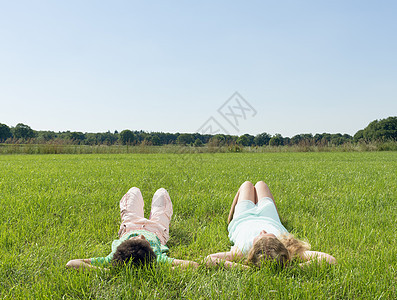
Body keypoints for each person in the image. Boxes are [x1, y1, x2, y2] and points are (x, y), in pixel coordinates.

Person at [205, 181, 336, 269]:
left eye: (259, 237)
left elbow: (208, 260)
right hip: (269, 217)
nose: (262, 231)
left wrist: (246, 269)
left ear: (253, 249)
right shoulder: (288, 248)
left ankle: (230, 219)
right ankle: (277, 216)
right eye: (269, 235)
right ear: (280, 243)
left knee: (247, 184)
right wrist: (291, 267)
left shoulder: (242, 251)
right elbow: (329, 259)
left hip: (243, 217)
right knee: (261, 184)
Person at [66, 187, 198, 270]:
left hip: (130, 225)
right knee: (161, 192)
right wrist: (157, 268)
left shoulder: (113, 258)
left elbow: (72, 263)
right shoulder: (156, 259)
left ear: (123, 244)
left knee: (134, 191)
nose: (141, 235)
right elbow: (193, 265)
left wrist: (103, 271)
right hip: (157, 230)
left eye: (135, 239)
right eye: (144, 240)